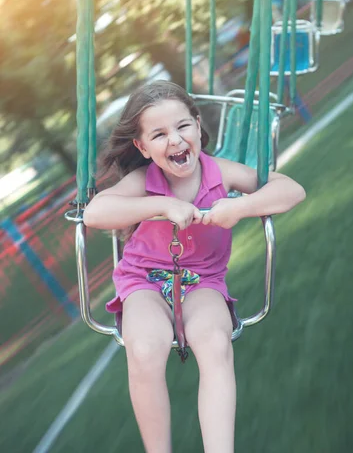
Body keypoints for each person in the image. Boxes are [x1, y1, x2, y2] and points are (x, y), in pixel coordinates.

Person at [83, 80, 306, 453]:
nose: (175, 140)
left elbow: (291, 190)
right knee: (144, 348)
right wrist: (161, 206)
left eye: (182, 126)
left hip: (203, 282)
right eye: (159, 134)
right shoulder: (143, 181)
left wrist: (239, 206)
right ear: (142, 146)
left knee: (215, 342)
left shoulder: (221, 172)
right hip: (145, 283)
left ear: (197, 124)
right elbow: (95, 213)